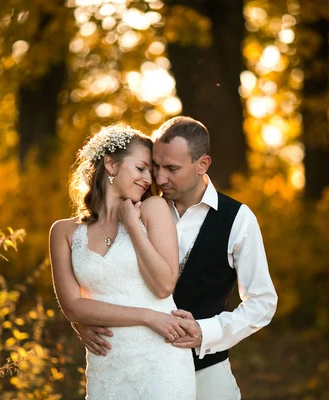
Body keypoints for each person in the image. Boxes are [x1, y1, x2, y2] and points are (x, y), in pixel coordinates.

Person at [74, 116, 278, 400]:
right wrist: (81, 321)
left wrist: (205, 332)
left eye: (171, 169)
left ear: (202, 165)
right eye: (156, 166)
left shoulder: (237, 219)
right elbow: (101, 271)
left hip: (207, 370)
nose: (158, 178)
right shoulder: (132, 207)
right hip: (138, 369)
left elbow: (262, 302)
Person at [49, 125, 196, 400]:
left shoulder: (153, 209)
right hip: (107, 361)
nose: (148, 178)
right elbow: (73, 306)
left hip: (161, 358)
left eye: (150, 172)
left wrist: (132, 224)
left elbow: (164, 286)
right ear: (111, 164)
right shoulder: (63, 232)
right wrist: (148, 316)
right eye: (141, 168)